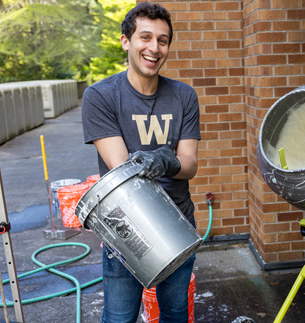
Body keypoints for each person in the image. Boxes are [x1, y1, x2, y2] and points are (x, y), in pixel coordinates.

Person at [81, 3, 200, 323]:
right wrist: (165, 160)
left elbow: (190, 164)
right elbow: (122, 174)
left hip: (178, 224)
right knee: (120, 317)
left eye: (162, 40)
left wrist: (168, 162)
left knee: (175, 314)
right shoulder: (101, 96)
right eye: (145, 37)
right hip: (125, 229)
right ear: (126, 41)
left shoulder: (184, 96)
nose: (154, 47)